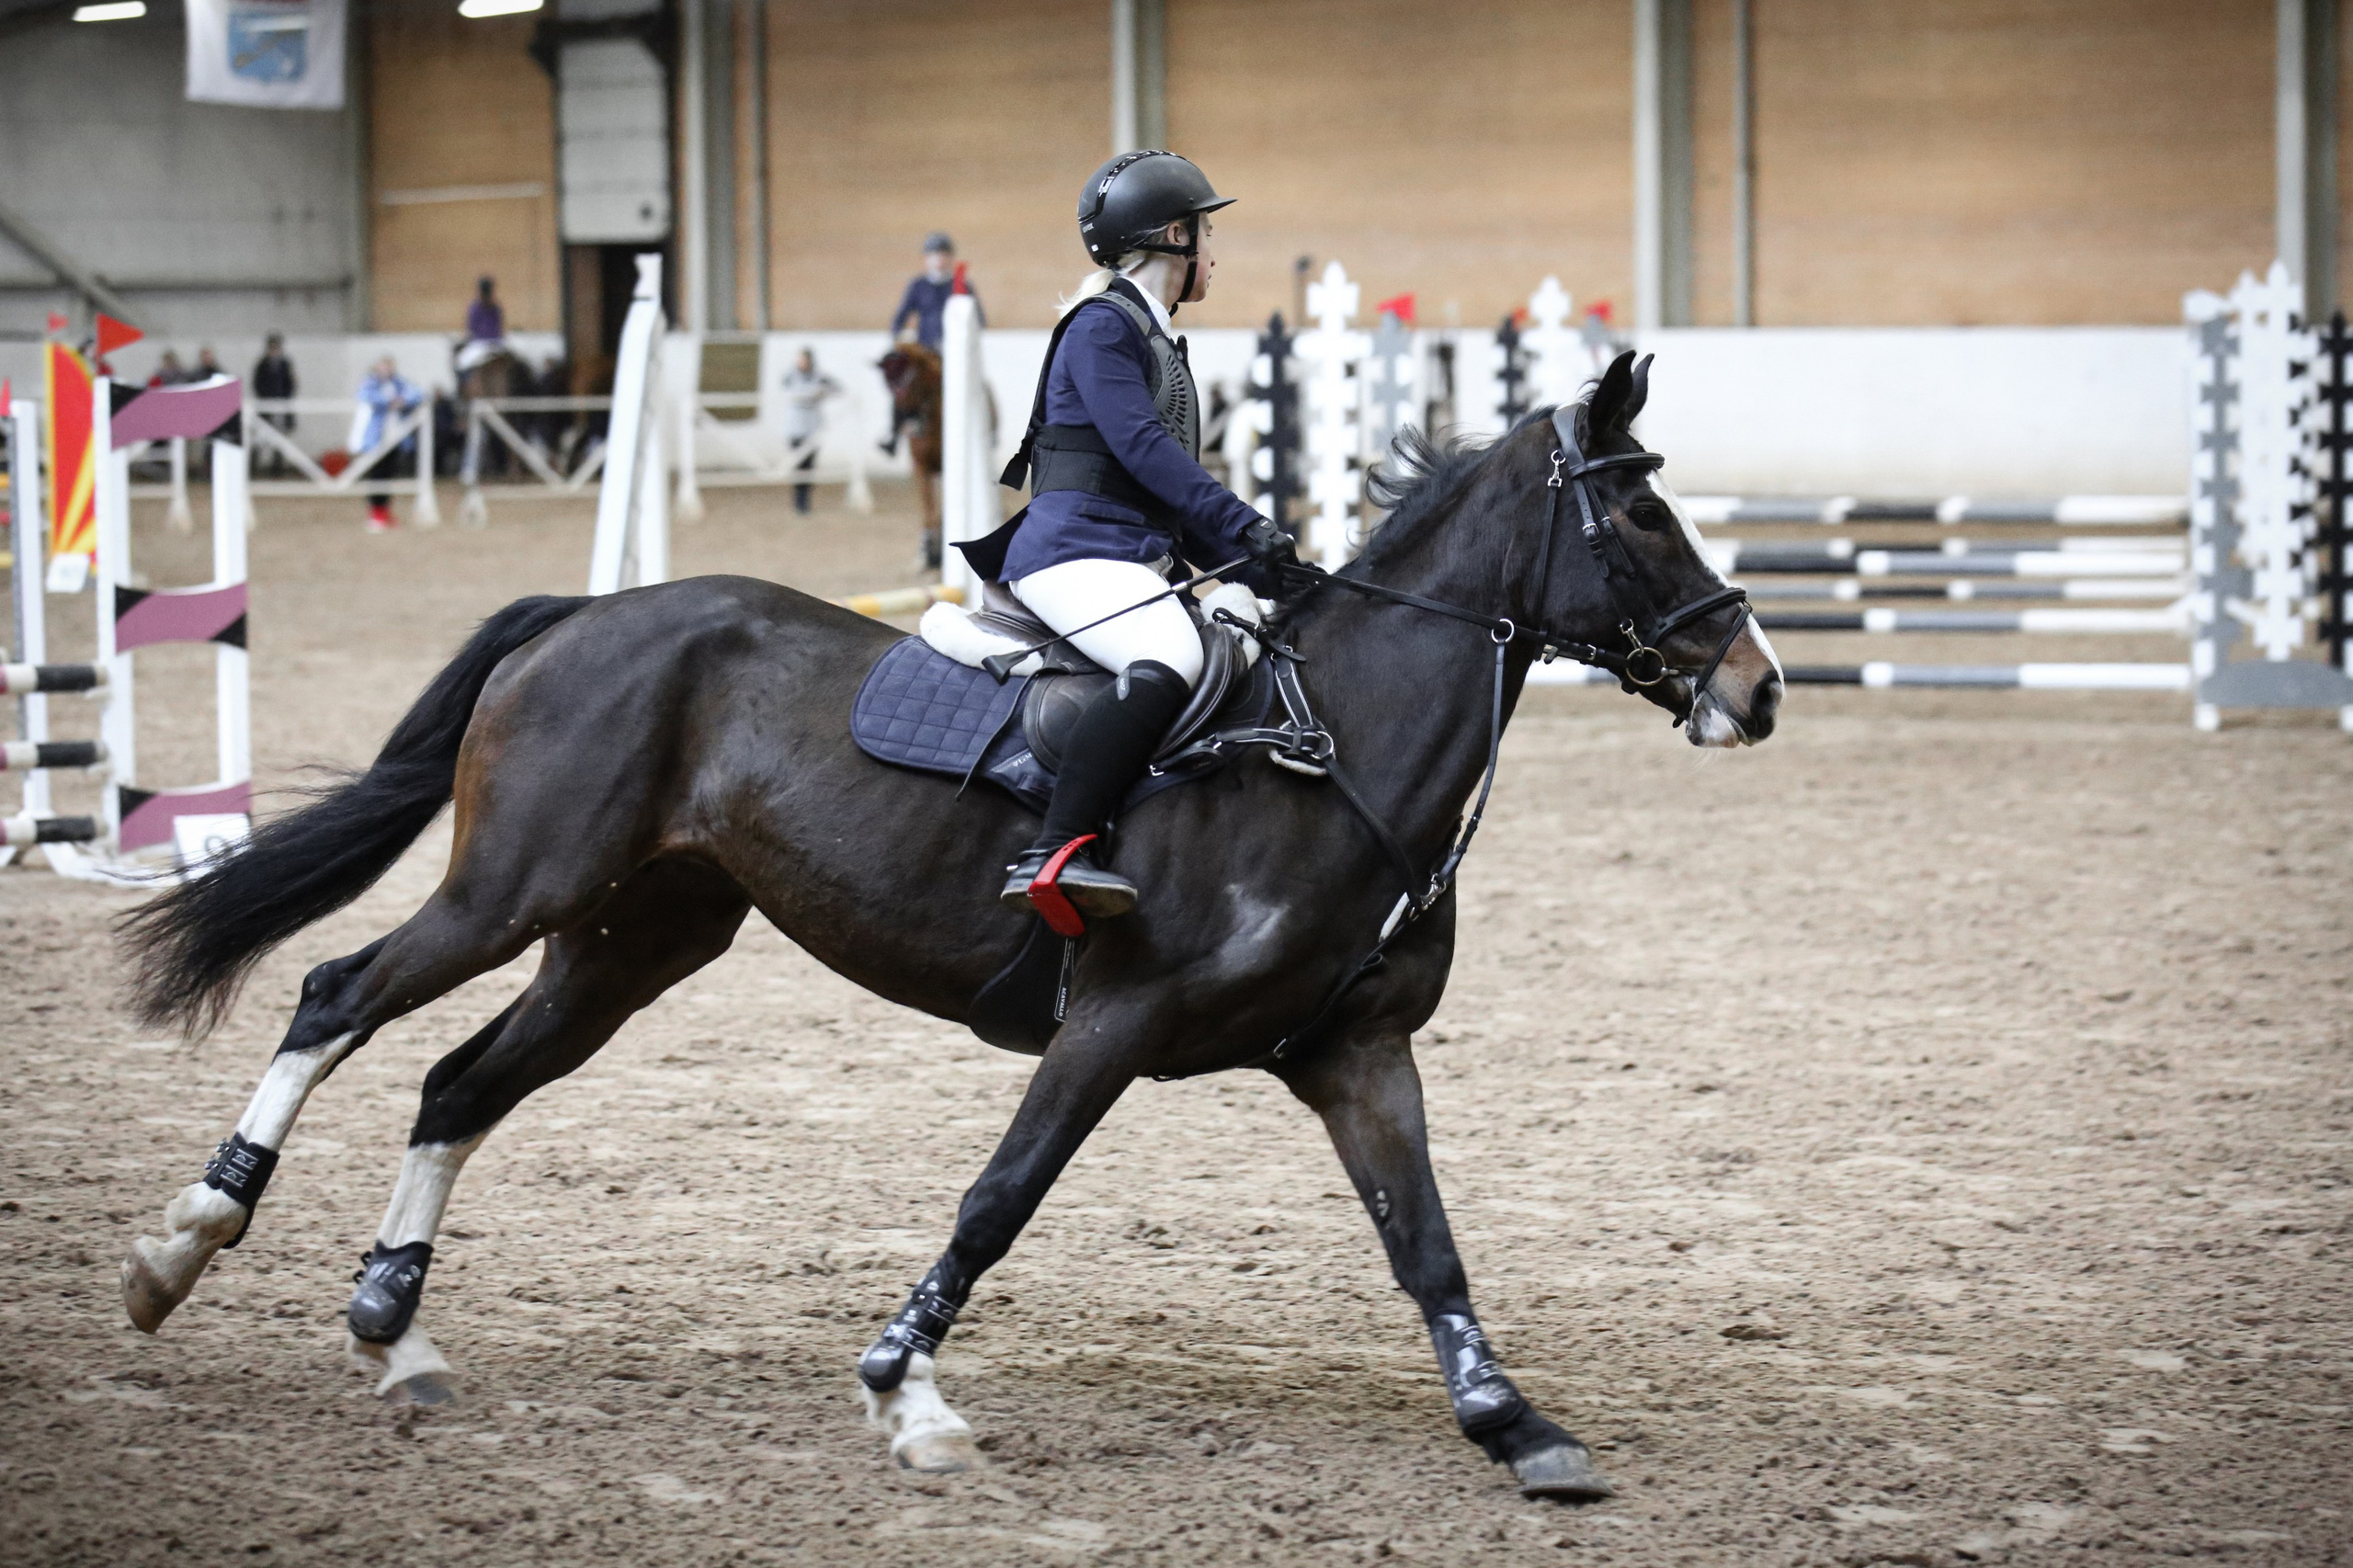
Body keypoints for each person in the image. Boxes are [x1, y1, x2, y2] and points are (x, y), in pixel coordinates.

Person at [962, 151, 1299, 920]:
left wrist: (1269, 567)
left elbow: (1167, 500)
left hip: (1127, 555)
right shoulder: (1101, 329)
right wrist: (1246, 524)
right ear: (1174, 237)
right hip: (1070, 552)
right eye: (1207, 233)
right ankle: (1053, 850)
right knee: (1171, 656)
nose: (1214, 253)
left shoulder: (1152, 338)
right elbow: (1144, 451)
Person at [351, 356, 425, 534]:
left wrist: (402, 401)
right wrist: (390, 402)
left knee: (388, 475)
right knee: (377, 475)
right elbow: (366, 396)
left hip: (394, 439)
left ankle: (384, 513)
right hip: (375, 440)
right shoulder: (370, 384)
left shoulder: (398, 383)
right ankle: (375, 514)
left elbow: (419, 393)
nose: (387, 370)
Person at [890, 233, 981, 352]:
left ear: (951, 257)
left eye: (944, 255)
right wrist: (901, 336)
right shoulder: (918, 286)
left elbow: (978, 318)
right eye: (934, 255)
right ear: (926, 258)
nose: (939, 260)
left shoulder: (962, 286)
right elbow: (900, 318)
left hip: (955, 349)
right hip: (925, 348)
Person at [779, 347, 841, 514]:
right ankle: (799, 499)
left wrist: (822, 392)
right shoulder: (790, 376)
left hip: (813, 427)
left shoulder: (819, 376)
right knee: (797, 463)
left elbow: (838, 388)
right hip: (795, 426)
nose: (802, 363)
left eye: (805, 359)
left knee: (810, 464)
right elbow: (789, 392)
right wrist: (813, 393)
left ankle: (805, 498)